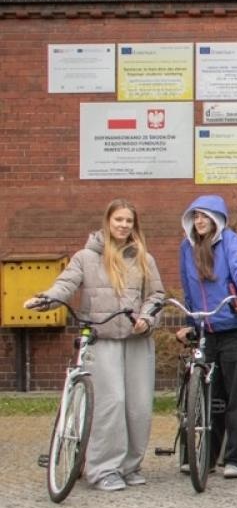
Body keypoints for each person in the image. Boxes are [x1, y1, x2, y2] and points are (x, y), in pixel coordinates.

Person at [28, 200, 165, 492]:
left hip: (137, 341)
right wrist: (46, 299)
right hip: (102, 341)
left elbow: (156, 297)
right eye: (119, 220)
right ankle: (103, 468)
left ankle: (130, 465)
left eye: (129, 221)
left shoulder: (144, 258)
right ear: (108, 221)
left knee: (138, 407)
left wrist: (146, 319)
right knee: (111, 403)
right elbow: (65, 284)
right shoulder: (85, 257)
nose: (123, 226)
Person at [175, 195, 237, 479]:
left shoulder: (231, 242)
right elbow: (188, 289)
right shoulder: (187, 248)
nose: (199, 221)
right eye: (195, 216)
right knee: (208, 397)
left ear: (217, 220)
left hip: (234, 327)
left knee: (236, 399)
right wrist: (189, 323)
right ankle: (204, 458)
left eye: (205, 216)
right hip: (206, 331)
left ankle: (235, 459)